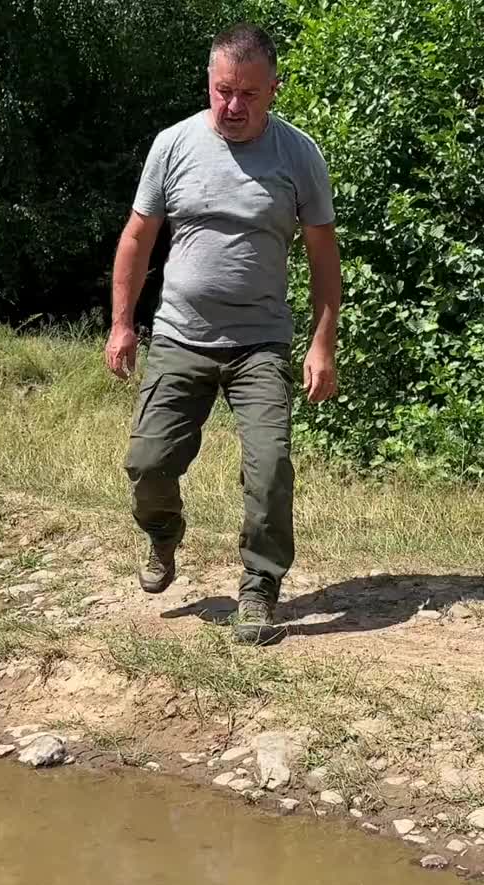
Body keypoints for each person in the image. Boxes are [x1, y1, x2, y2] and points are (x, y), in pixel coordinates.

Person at [105, 22, 341, 644]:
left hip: (260, 342)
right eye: (222, 91)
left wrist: (322, 343)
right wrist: (122, 324)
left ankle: (260, 586)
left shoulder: (298, 155)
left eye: (249, 95)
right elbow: (138, 236)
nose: (233, 107)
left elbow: (322, 253)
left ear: (274, 90)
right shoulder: (174, 145)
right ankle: (162, 535)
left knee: (269, 467)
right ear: (210, 83)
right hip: (180, 336)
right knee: (149, 462)